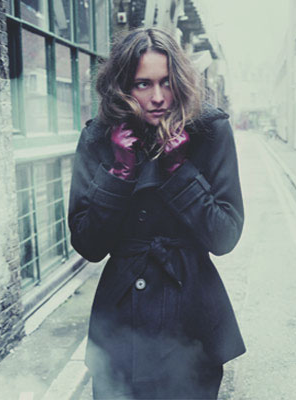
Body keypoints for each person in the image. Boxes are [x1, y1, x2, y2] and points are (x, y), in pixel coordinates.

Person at [68, 28, 245, 399]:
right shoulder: (99, 138)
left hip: (191, 316)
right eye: (143, 84)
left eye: (166, 82)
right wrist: (119, 173)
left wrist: (180, 171)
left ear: (180, 81)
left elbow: (225, 235)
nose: (159, 97)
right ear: (122, 87)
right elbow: (88, 245)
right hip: (121, 323)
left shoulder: (210, 131)